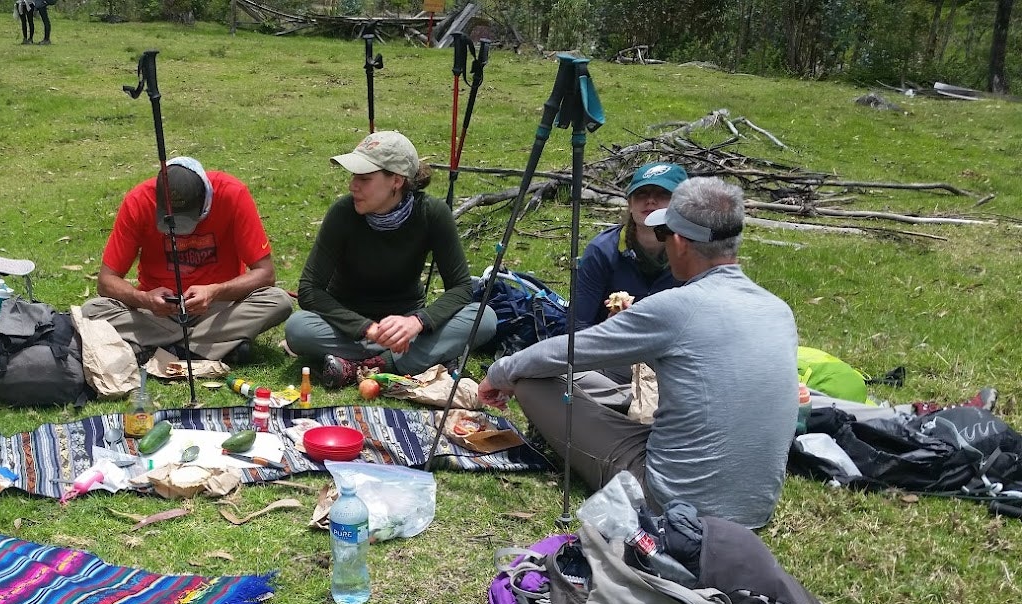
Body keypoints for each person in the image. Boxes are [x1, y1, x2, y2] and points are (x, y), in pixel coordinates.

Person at [479, 177, 798, 529]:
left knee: (528, 380)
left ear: (677, 241)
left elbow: (568, 350)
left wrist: (499, 373)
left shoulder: (675, 307)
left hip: (671, 501)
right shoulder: (778, 310)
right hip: (755, 510)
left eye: (662, 235)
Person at [288, 131, 496, 389]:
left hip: (407, 322)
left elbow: (462, 288)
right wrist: (366, 328)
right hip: (349, 326)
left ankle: (368, 366)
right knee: (298, 328)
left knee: (484, 318)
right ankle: (413, 357)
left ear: (396, 181)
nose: (353, 186)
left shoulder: (432, 213)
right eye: (354, 177)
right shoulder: (342, 214)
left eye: (364, 179)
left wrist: (417, 322)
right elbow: (309, 290)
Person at [85, 156, 292, 362]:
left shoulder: (232, 193)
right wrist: (145, 300)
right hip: (156, 313)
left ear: (206, 198)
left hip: (218, 309)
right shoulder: (138, 200)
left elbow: (265, 274)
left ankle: (158, 347)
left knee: (278, 301)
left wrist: (214, 291)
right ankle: (207, 347)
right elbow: (106, 282)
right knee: (91, 311)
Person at [571, 162, 687, 331]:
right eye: (641, 194)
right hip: (609, 349)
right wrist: (611, 328)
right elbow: (577, 326)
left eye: (663, 194)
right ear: (630, 204)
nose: (650, 201)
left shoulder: (695, 252)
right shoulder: (601, 251)